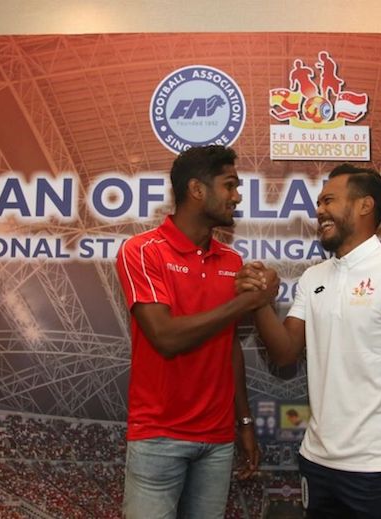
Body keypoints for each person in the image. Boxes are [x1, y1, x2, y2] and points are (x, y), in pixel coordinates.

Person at [237, 164, 381, 519]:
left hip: (379, 467)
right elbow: (285, 353)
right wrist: (260, 303)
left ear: (365, 206)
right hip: (316, 462)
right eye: (318, 202)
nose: (319, 210)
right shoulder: (313, 277)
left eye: (329, 200)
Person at [115, 145, 277, 519]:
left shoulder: (232, 261)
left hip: (218, 440)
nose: (237, 196)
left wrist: (245, 423)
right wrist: (249, 301)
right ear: (197, 190)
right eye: (230, 185)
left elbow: (229, 347)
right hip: (159, 435)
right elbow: (166, 337)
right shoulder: (142, 251)